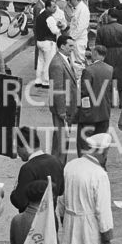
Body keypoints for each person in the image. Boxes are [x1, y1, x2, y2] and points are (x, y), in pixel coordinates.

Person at [57, 132, 114, 244]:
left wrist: (62, 217)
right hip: (90, 224)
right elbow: (103, 209)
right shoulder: (99, 175)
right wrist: (106, 235)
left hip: (71, 219)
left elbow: (61, 197)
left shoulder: (70, 166)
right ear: (102, 152)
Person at [10, 126, 64, 213]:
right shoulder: (56, 162)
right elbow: (61, 191)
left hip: (31, 221)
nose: (17, 152)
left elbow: (20, 202)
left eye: (18, 148)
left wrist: (14, 192)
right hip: (50, 221)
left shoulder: (28, 168)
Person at [76, 43, 114, 154]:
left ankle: (84, 162)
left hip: (90, 111)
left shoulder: (88, 70)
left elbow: (84, 91)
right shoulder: (109, 69)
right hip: (104, 109)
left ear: (96, 53)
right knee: (101, 140)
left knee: (84, 140)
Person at [47, 35, 78, 163]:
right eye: (70, 46)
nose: (73, 48)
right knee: (61, 140)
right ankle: (57, 166)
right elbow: (57, 89)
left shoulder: (65, 60)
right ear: (62, 46)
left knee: (61, 139)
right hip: (63, 108)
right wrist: (62, 111)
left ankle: (59, 165)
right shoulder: (57, 64)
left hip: (67, 106)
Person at [32, 0, 63, 89]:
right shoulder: (50, 18)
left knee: (40, 61)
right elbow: (54, 31)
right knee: (48, 62)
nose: (55, 8)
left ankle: (38, 80)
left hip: (39, 41)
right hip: (48, 42)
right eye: (53, 7)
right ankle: (46, 81)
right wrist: (59, 27)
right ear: (48, 7)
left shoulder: (40, 16)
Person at [66, 0, 90, 78]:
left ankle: (79, 84)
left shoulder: (83, 9)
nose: (70, 2)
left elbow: (81, 27)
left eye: (70, 0)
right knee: (73, 62)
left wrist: (71, 37)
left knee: (78, 63)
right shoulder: (77, 9)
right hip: (74, 40)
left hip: (78, 40)